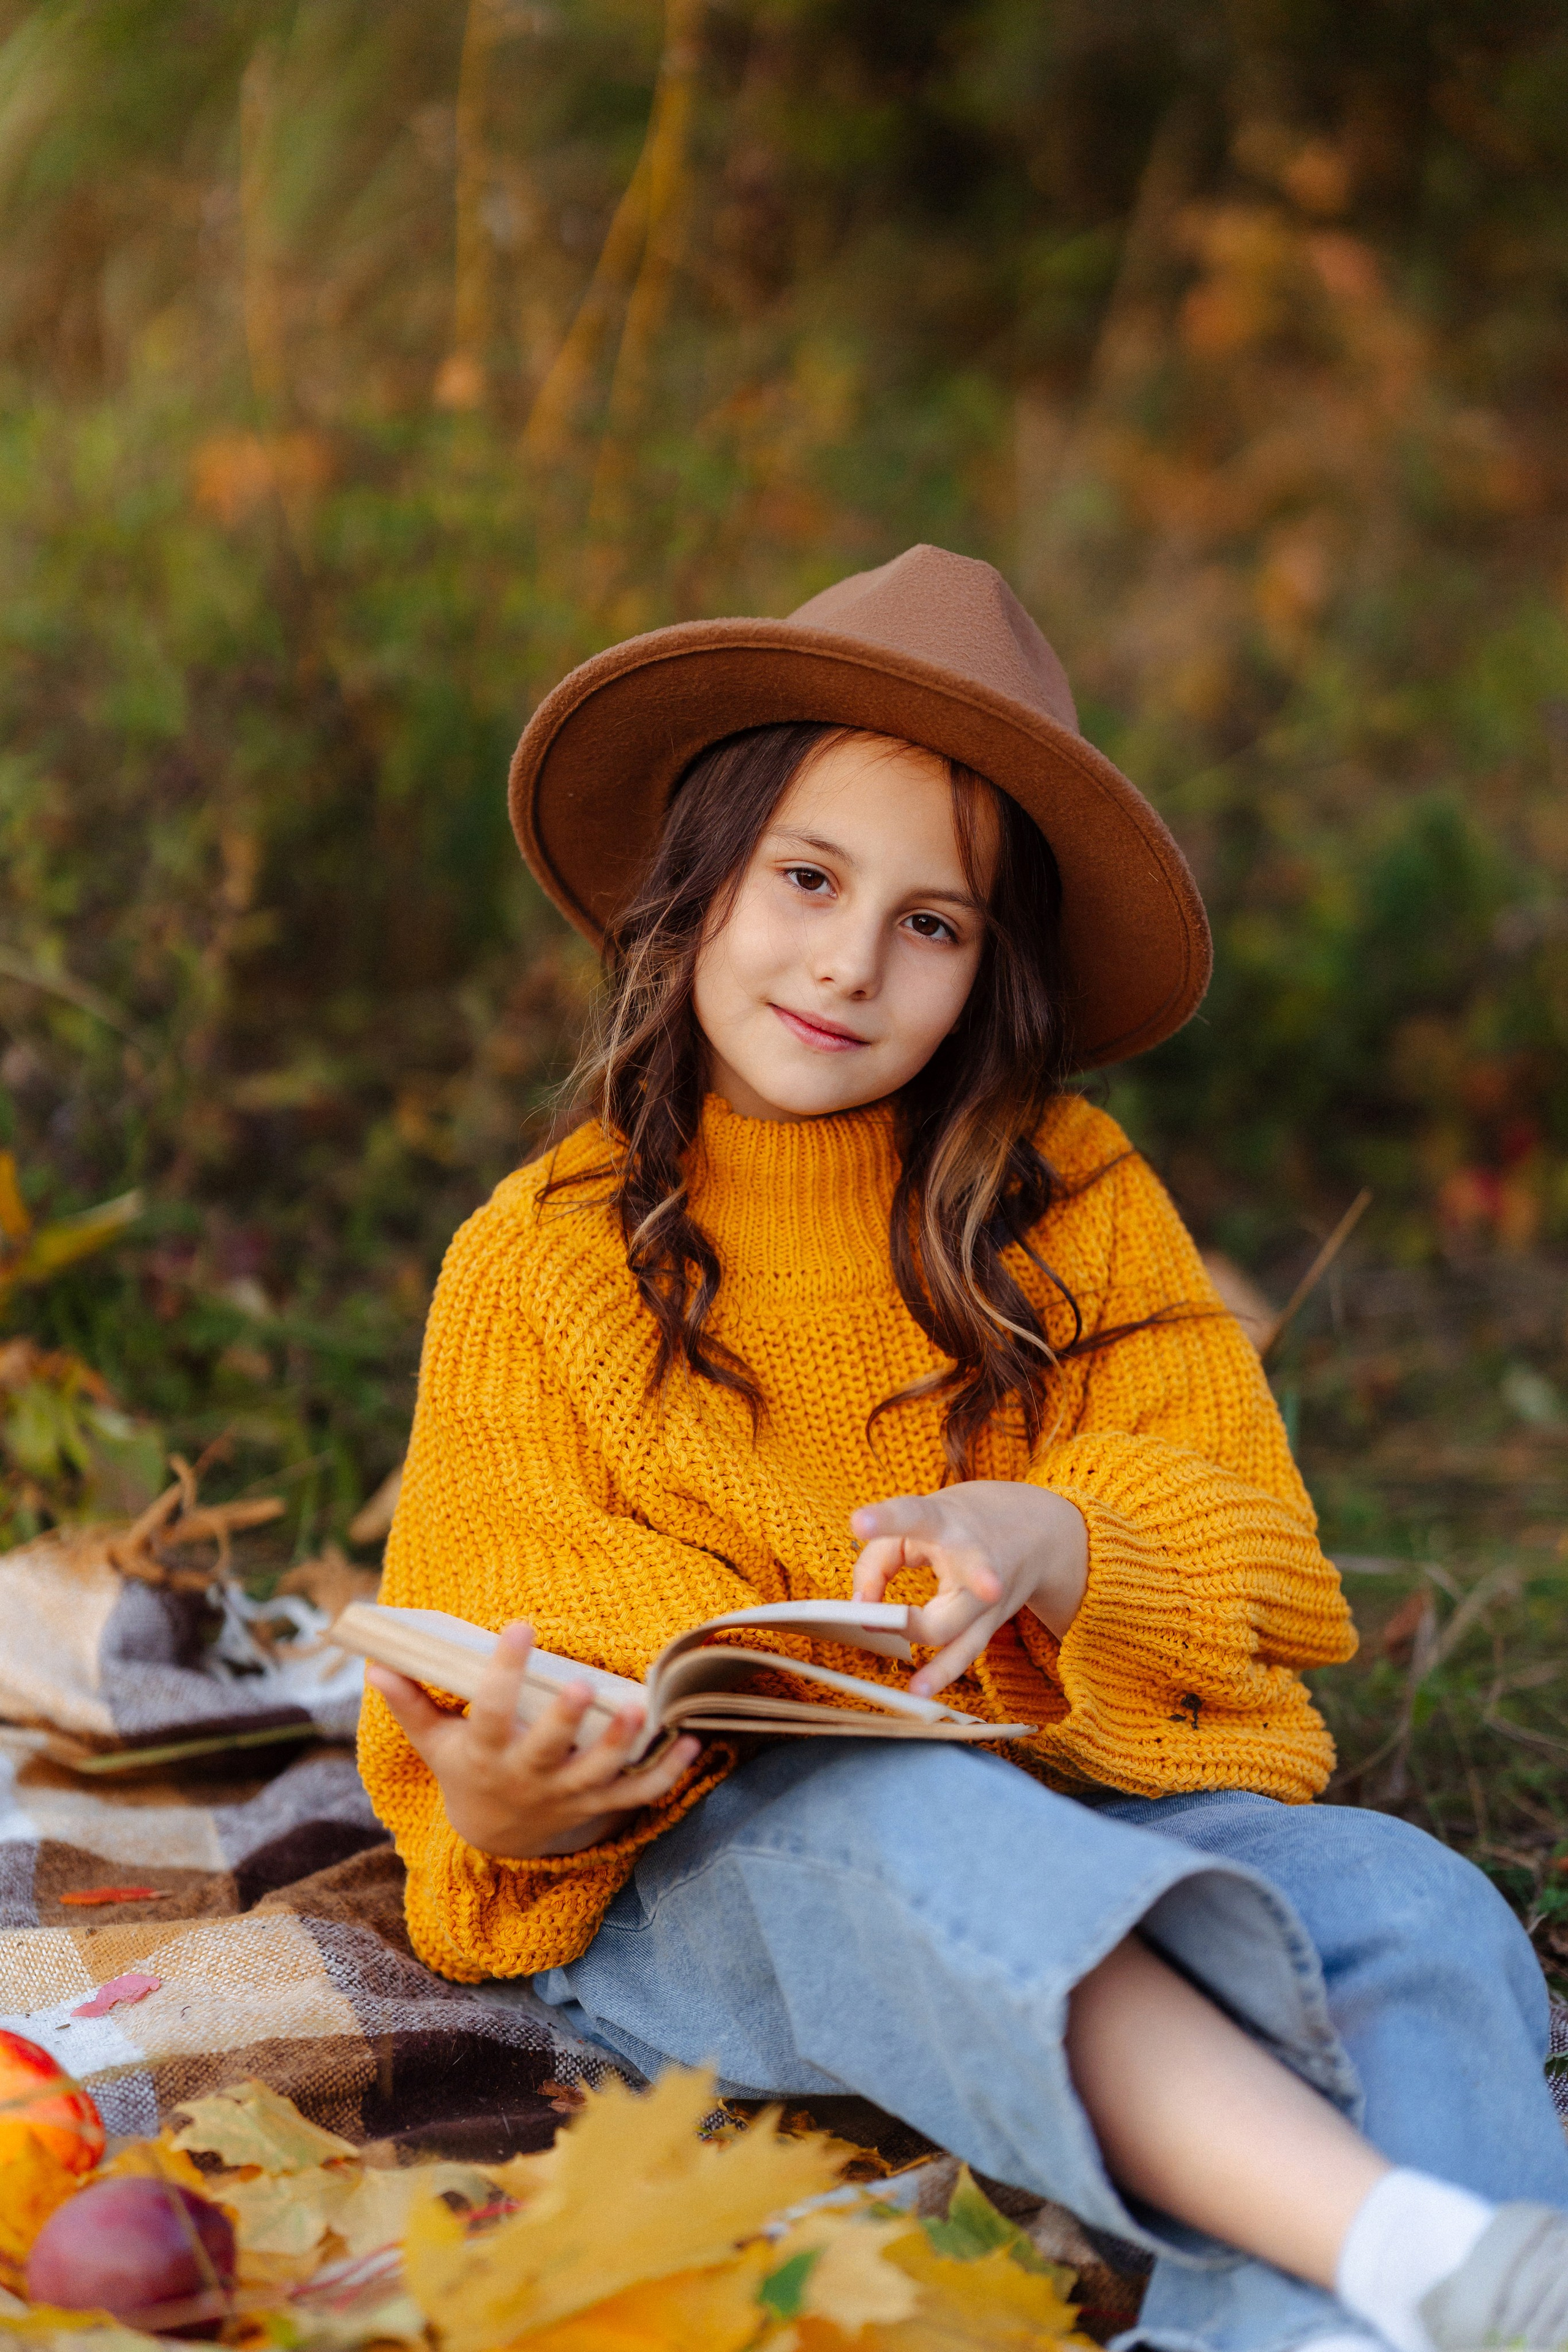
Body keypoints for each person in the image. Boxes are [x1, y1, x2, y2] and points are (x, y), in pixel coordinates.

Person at [360, 546, 1568, 2350]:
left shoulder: (1071, 1200)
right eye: (809, 878)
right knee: (909, 1811)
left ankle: (1412, 2308)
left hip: (1099, 1801)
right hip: (723, 1877)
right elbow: (487, 1622)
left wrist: (1058, 1536)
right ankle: (1417, 2254)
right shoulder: (541, 1259)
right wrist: (510, 1790)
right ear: (697, 887)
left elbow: (1257, 1541)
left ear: (989, 969)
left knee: (1414, 1896)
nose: (849, 961)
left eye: (930, 923)